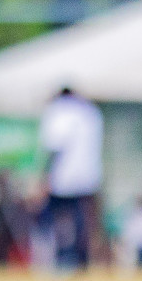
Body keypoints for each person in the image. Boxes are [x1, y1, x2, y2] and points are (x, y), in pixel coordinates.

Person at [38, 87, 103, 269]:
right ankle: (82, 258)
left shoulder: (58, 111)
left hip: (63, 175)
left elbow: (54, 146)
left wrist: (44, 175)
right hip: (88, 174)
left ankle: (63, 256)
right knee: (82, 217)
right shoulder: (91, 112)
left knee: (58, 216)